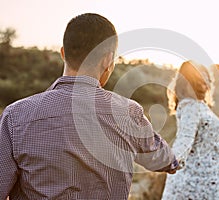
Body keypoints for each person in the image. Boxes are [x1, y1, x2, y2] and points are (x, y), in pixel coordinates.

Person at [0, 13, 178, 200]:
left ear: (63, 53)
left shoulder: (15, 116)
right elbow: (164, 161)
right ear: (108, 60)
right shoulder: (129, 113)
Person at [162, 61, 219, 200]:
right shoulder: (190, 106)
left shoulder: (199, 105)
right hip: (196, 183)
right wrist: (174, 160)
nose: (207, 83)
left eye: (208, 78)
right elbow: (185, 137)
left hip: (204, 179)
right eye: (203, 78)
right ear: (189, 82)